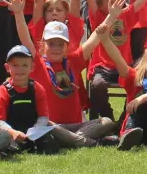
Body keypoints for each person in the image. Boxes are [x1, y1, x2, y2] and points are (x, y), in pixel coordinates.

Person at [15, 13, 118, 148]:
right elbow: (25, 39)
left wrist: (111, 16)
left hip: (77, 126)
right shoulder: (37, 64)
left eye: (60, 44)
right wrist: (18, 13)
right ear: (43, 44)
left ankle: (71, 140)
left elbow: (94, 39)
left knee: (107, 122)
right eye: (51, 44)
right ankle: (94, 143)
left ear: (67, 45)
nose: (56, 48)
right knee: (47, 126)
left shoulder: (73, 61)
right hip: (51, 126)